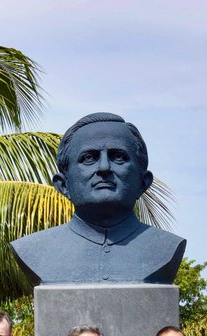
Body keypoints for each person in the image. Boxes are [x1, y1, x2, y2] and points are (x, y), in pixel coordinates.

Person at [10, 113, 185, 286]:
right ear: (63, 185)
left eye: (118, 157)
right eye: (88, 158)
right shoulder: (33, 250)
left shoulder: (167, 248)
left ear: (142, 182)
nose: (104, 167)